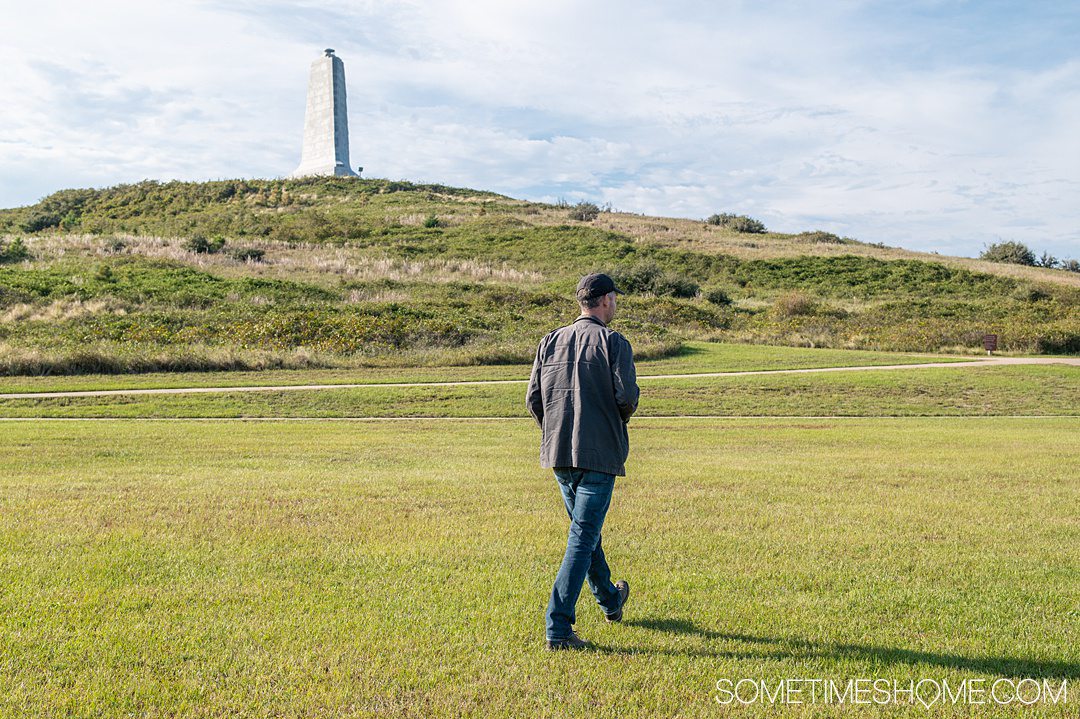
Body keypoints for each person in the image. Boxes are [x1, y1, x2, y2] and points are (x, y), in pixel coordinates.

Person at [526, 272, 640, 651]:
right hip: (598, 455)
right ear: (605, 300)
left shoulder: (549, 341)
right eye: (615, 298)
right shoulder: (614, 343)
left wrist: (555, 429)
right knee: (582, 537)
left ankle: (610, 598)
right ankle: (558, 628)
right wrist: (612, 420)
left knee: (585, 533)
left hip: (558, 454)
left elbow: (533, 400)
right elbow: (627, 398)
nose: (615, 304)